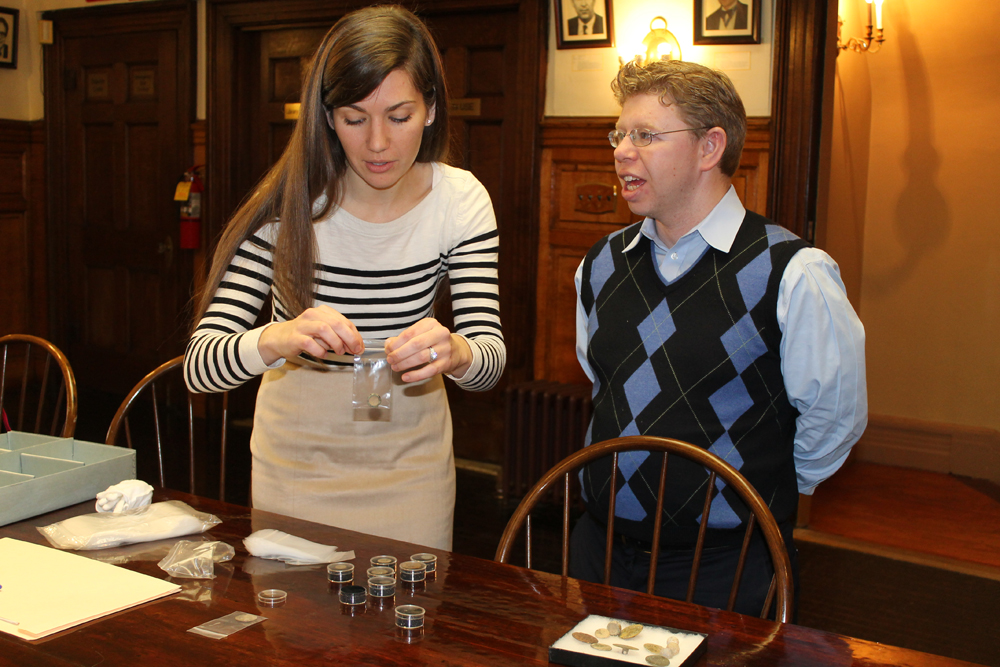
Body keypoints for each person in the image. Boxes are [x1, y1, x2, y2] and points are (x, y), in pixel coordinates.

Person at [183, 5, 505, 551]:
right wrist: (277, 338)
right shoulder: (286, 207)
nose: (377, 143)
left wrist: (455, 351)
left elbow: (488, 361)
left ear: (430, 110)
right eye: (355, 118)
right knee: (300, 631)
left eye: (399, 117)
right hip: (297, 471)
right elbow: (200, 368)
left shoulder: (461, 200)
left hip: (412, 472)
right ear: (327, 118)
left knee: (407, 623)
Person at [571, 59, 866, 615]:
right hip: (600, 550)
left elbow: (834, 420)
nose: (621, 151)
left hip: (725, 569)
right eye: (620, 133)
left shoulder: (794, 271)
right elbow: (599, 379)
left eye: (646, 136)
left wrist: (756, 497)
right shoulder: (599, 265)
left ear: (710, 147)